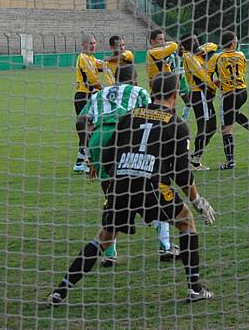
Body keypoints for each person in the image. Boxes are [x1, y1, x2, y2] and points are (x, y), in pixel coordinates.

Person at [47, 73, 216, 306]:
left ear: (152, 91)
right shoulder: (177, 125)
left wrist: (112, 182)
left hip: (120, 187)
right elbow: (182, 174)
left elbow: (108, 154)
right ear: (175, 95)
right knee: (186, 221)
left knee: (104, 239)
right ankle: (195, 288)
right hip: (151, 187)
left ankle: (59, 292)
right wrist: (197, 200)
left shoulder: (129, 116)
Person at [76, 65, 180, 266]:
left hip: (97, 139)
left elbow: (81, 121)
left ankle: (110, 252)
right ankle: (165, 246)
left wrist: (88, 150)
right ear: (134, 79)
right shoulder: (138, 92)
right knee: (152, 186)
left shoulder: (100, 94)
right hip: (125, 136)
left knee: (111, 196)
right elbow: (153, 114)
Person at [208, 31, 249, 170]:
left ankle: (230, 162)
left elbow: (207, 76)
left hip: (229, 94)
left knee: (226, 129)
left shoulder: (217, 57)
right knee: (234, 114)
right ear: (233, 43)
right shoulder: (241, 55)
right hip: (243, 92)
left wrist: (215, 82)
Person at [181, 36, 218, 171]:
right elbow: (201, 75)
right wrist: (213, 87)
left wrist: (201, 50)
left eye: (196, 40)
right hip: (199, 94)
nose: (195, 42)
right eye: (192, 42)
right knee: (204, 126)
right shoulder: (189, 57)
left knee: (212, 127)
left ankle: (195, 157)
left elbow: (213, 45)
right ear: (186, 46)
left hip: (204, 95)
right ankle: (195, 160)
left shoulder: (198, 55)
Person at [73, 34, 106, 173]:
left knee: (88, 129)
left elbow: (105, 65)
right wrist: (103, 89)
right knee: (88, 128)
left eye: (94, 43)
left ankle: (80, 162)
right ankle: (88, 160)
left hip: (91, 96)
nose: (93, 45)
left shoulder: (92, 58)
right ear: (84, 45)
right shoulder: (83, 58)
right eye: (90, 43)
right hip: (83, 96)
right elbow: (92, 77)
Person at [146, 29, 192, 120]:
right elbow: (174, 45)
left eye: (163, 39)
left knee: (169, 115)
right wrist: (169, 43)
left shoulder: (161, 52)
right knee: (163, 116)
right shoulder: (154, 52)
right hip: (160, 88)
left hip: (166, 86)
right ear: (152, 41)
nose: (163, 42)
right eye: (160, 39)